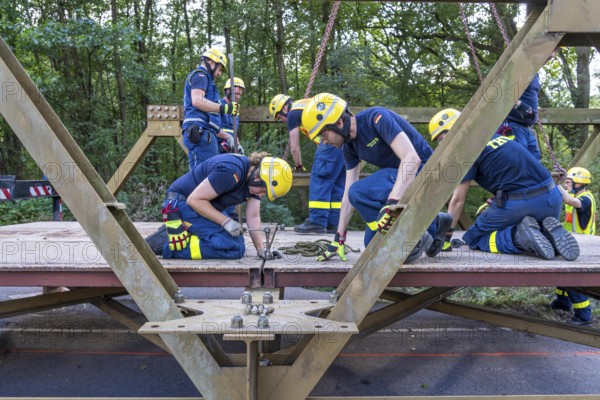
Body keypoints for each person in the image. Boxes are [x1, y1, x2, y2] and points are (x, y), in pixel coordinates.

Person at [301, 93, 453, 263]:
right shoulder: (349, 148)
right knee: (372, 243)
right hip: (400, 179)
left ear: (339, 123)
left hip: (425, 172)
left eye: (323, 135)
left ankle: (413, 237)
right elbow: (347, 195)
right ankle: (436, 223)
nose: (324, 142)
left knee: (359, 191)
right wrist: (339, 237)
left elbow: (412, 159)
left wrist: (392, 205)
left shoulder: (376, 118)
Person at [429, 108, 579, 261]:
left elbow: (458, 200)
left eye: (442, 139)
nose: (442, 145)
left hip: (523, 203)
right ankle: (545, 234)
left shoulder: (464, 151)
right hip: (552, 200)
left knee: (474, 238)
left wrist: (446, 237)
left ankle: (517, 238)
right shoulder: (497, 138)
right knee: (531, 228)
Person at [144, 152, 292, 260]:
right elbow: (194, 200)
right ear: (258, 176)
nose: (262, 194)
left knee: (237, 243)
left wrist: (261, 250)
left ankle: (186, 230)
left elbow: (253, 216)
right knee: (233, 247)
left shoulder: (253, 182)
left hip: (201, 207)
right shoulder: (230, 171)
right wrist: (226, 222)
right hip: (181, 204)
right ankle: (168, 245)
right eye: (263, 189)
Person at [269, 94, 345, 234]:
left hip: (330, 142)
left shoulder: (293, 114)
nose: (283, 121)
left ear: (284, 108)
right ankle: (333, 223)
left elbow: (294, 147)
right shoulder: (305, 106)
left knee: (320, 181)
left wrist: (299, 165)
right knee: (336, 184)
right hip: (343, 142)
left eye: (280, 117)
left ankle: (317, 221)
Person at [549, 167, 596, 325]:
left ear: (578, 183)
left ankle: (584, 316)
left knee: (575, 279)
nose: (567, 184)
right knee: (562, 273)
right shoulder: (578, 194)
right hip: (573, 242)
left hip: (583, 245)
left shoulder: (585, 199)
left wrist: (553, 183)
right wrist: (561, 180)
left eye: (569, 182)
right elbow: (569, 196)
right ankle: (562, 302)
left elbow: (568, 200)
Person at [182, 48, 240, 169]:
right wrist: (224, 108)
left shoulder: (206, 80)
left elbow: (210, 121)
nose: (219, 74)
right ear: (211, 63)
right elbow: (197, 101)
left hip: (205, 132)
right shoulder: (200, 75)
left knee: (204, 175)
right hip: (201, 133)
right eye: (219, 69)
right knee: (206, 174)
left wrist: (228, 137)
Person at [218, 77, 245, 155]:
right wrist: (229, 139)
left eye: (240, 94)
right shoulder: (218, 105)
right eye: (236, 94)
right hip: (217, 148)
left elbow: (234, 133)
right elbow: (214, 128)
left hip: (230, 150)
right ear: (227, 91)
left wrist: (239, 146)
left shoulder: (236, 111)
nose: (239, 97)